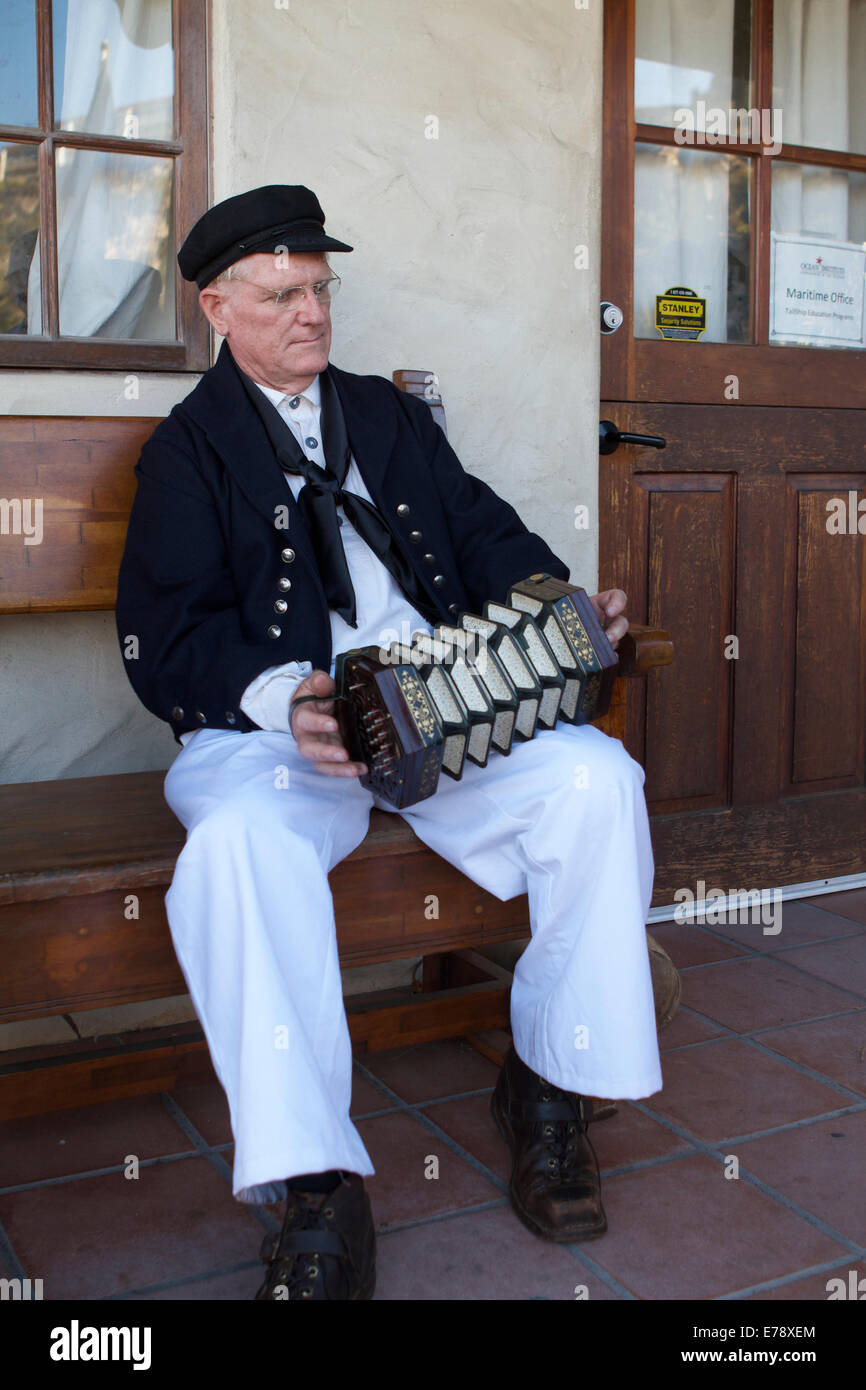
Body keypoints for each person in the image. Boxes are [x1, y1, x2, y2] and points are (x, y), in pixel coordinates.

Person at [115, 184, 662, 1302]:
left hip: (436, 710)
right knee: (237, 852)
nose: (310, 314)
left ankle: (549, 1088)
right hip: (277, 732)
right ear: (219, 306)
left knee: (595, 779)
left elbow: (480, 529)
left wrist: (558, 610)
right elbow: (161, 639)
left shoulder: (390, 413)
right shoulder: (185, 452)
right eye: (281, 295)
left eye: (320, 288)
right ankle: (315, 1185)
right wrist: (286, 702)